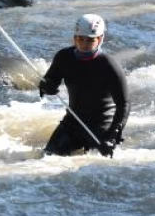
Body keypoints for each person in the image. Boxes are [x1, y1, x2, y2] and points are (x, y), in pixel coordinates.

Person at [39, 14, 130, 157]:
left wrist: (113, 136)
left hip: (102, 125)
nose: (84, 44)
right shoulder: (64, 57)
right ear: (74, 37)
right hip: (72, 122)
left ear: (100, 39)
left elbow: (124, 104)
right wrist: (46, 86)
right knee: (46, 158)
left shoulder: (109, 65)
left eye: (90, 40)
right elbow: (49, 82)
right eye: (80, 38)